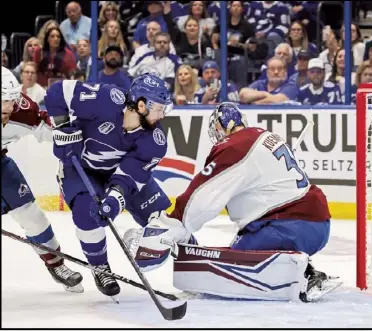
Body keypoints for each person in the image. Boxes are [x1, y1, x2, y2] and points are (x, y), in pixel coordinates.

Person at [124, 102, 335, 302]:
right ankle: (305, 271)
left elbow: (202, 196)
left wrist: (169, 224)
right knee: (240, 245)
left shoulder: (234, 145)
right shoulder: (263, 135)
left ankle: (302, 277)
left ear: (219, 127)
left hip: (291, 225)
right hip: (316, 224)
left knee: (228, 266)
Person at [43, 73, 174, 298]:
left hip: (116, 174)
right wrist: (63, 128)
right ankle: (100, 267)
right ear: (141, 105)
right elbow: (56, 92)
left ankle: (192, 254)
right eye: (160, 108)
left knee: (161, 217)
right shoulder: (104, 98)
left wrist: (114, 200)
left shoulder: (155, 139)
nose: (163, 114)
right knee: (86, 215)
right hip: (80, 169)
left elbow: (128, 176)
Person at [1, 66, 84, 292]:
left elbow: (44, 127)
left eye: (12, 100)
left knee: (32, 215)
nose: (10, 106)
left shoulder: (21, 110)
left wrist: (67, 135)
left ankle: (57, 265)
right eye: (4, 101)